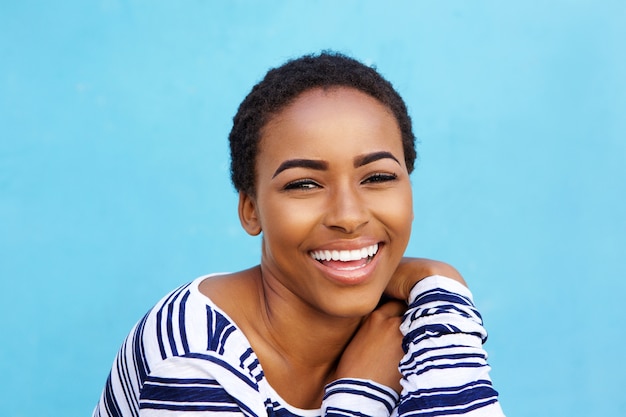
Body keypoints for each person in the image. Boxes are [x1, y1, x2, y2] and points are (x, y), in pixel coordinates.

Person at [94, 52, 505, 416]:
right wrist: (361, 395)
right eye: (304, 184)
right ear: (251, 209)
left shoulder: (428, 311)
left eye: (378, 177)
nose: (348, 216)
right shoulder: (195, 360)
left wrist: (441, 288)